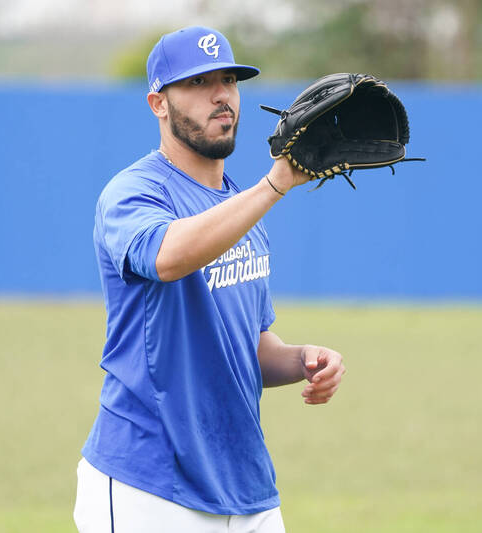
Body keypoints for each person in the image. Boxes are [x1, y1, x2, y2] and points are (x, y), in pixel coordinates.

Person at [74, 25, 346, 533]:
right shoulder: (133, 193)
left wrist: (304, 359)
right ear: (159, 102)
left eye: (228, 80)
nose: (220, 95)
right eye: (198, 83)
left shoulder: (241, 206)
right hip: (149, 485)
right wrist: (274, 185)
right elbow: (168, 256)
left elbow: (252, 347)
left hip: (246, 488)